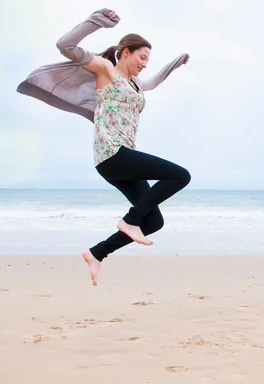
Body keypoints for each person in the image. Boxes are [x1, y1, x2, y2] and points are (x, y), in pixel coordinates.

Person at [17, 8, 191, 286]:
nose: (145, 64)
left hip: (123, 158)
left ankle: (97, 253)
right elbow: (65, 46)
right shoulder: (106, 69)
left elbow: (153, 82)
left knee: (154, 222)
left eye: (148, 59)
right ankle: (129, 221)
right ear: (125, 52)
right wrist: (98, 21)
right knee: (180, 175)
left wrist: (176, 63)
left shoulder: (134, 84)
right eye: (142, 57)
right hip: (112, 153)